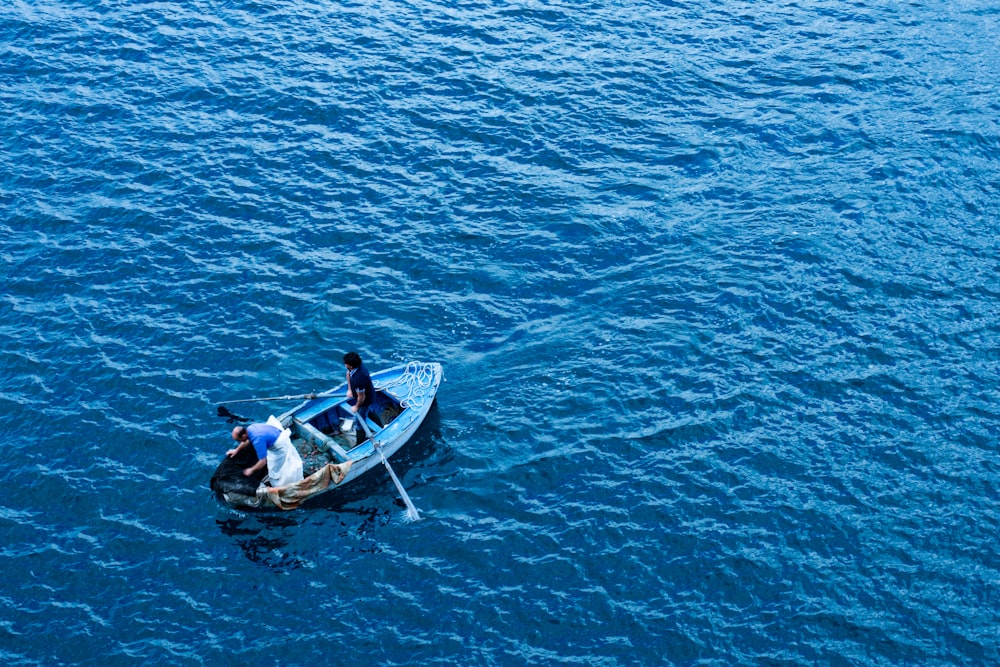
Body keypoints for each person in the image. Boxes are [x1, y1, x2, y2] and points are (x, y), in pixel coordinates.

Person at [343, 351, 375, 419]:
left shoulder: (359, 379)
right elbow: (348, 373)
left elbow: (362, 397)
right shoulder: (355, 365)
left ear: (351, 366)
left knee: (361, 415)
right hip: (357, 392)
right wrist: (349, 390)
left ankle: (359, 428)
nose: (344, 364)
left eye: (345, 363)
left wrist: (356, 407)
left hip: (366, 399)